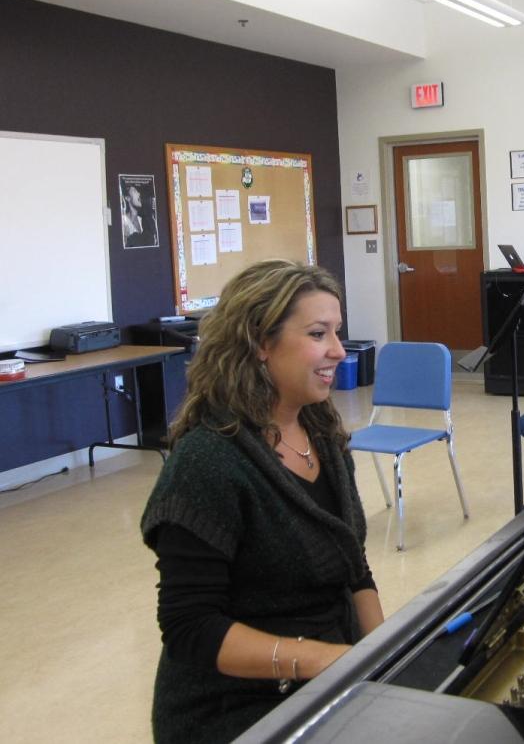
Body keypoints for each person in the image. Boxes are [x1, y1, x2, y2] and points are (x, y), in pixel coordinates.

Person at [141, 260, 383, 744]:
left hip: (326, 678)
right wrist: (323, 660)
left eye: (337, 332)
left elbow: (353, 568)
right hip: (235, 709)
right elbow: (192, 627)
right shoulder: (207, 460)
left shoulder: (321, 432)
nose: (338, 350)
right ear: (259, 343)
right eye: (319, 334)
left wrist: (384, 654)